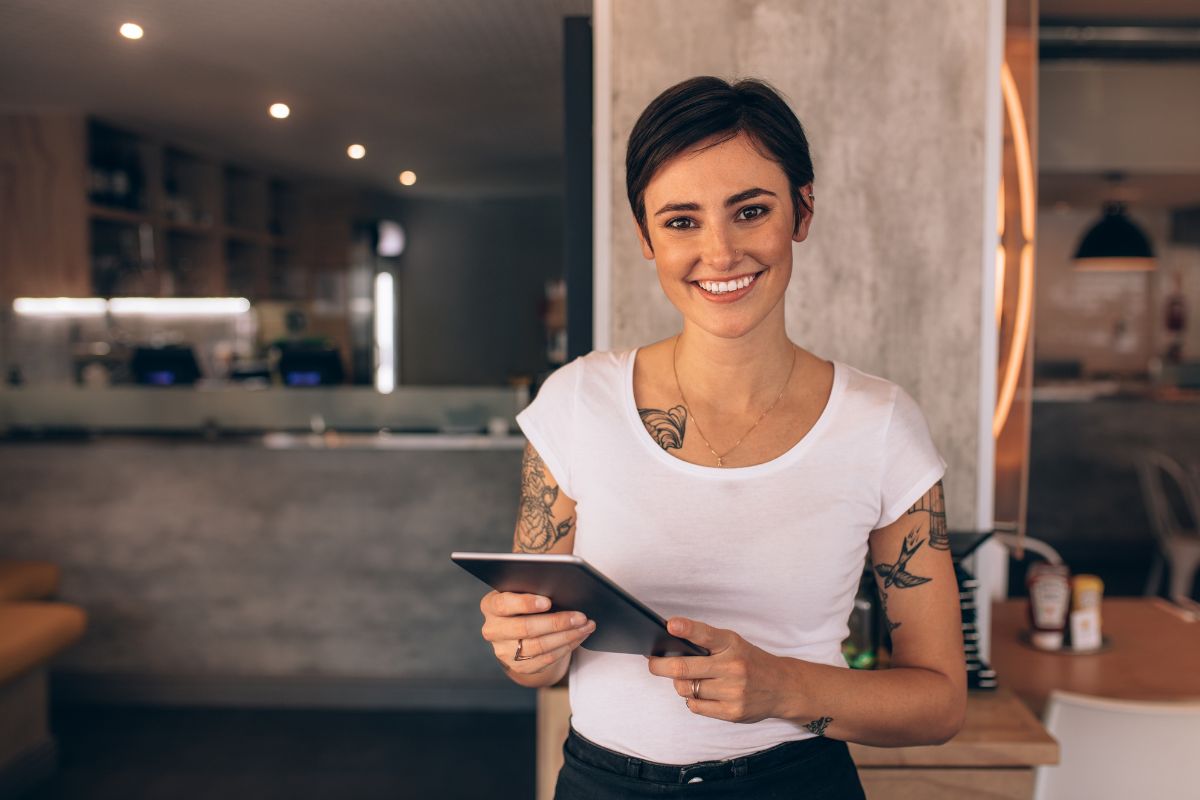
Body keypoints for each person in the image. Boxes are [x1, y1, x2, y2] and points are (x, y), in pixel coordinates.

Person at [478, 76, 966, 799]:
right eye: (681, 221)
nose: (721, 250)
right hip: (602, 784)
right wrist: (524, 646)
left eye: (750, 210)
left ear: (801, 210)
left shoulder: (880, 423)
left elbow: (940, 703)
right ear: (645, 237)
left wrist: (783, 688)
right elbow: (538, 662)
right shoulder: (576, 402)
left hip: (794, 782)